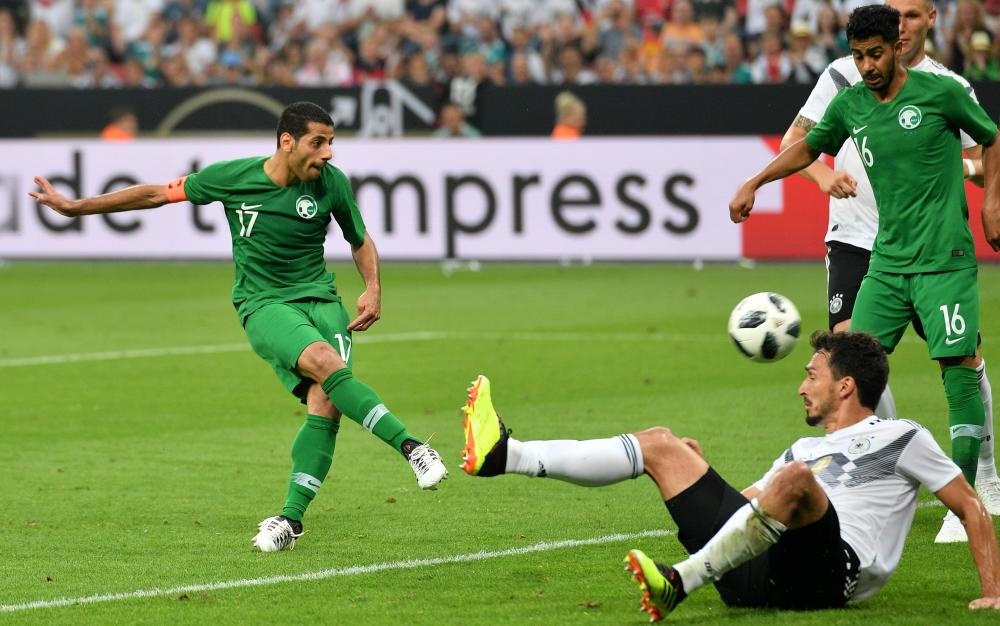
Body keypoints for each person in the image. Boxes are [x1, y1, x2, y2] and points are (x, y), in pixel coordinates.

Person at [29, 101, 448, 552]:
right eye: (318, 142)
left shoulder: (332, 184)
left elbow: (359, 239)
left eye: (331, 143)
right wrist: (76, 208)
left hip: (322, 299)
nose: (327, 154)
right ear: (287, 142)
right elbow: (156, 194)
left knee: (326, 401)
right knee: (326, 364)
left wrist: (373, 287)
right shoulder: (233, 177)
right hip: (264, 302)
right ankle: (412, 448)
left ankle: (290, 519)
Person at [460, 332, 1000, 620]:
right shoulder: (805, 447)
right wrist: (700, 476)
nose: (801, 386)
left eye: (811, 375)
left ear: (846, 386)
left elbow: (970, 506)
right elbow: (752, 505)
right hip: (758, 573)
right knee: (663, 444)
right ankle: (506, 454)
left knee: (795, 482)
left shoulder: (902, 434)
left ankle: (681, 581)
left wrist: (993, 593)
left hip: (830, 576)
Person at [731, 5, 1000, 543]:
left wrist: (991, 203)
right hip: (885, 260)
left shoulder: (943, 91)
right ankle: (859, 484)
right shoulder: (849, 97)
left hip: (944, 261)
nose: (867, 64)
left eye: (875, 53)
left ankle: (967, 497)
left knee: (959, 365)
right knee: (844, 360)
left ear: (901, 43)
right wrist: (755, 182)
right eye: (859, 55)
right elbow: (805, 145)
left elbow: (989, 139)